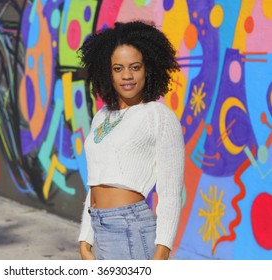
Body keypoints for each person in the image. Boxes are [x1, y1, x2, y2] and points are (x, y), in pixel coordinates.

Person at [78, 21, 185, 260]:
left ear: (148, 69)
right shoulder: (102, 116)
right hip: (99, 226)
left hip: (131, 228)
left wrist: (162, 253)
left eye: (135, 67)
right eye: (118, 68)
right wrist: (85, 239)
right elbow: (96, 182)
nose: (127, 75)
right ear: (108, 72)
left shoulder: (158, 116)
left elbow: (170, 193)